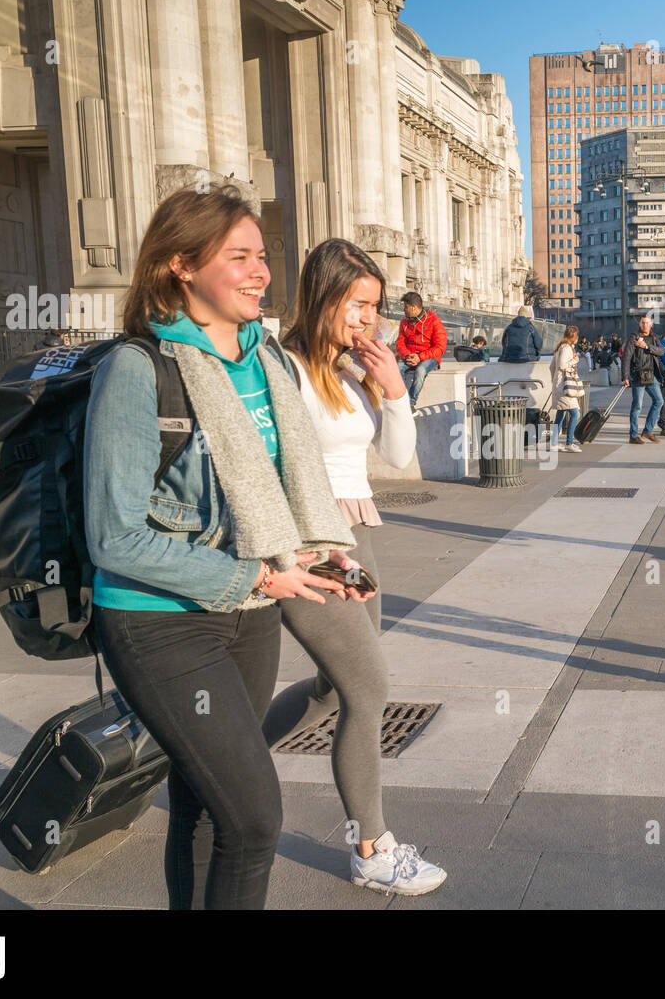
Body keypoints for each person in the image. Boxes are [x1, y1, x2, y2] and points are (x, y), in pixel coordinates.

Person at [84, 186, 362, 909]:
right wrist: (254, 577)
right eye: (237, 257)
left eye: (262, 257)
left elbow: (278, 483)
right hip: (159, 619)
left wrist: (315, 551)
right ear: (181, 265)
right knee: (256, 817)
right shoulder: (138, 369)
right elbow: (114, 536)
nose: (260, 272)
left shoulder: (263, 359)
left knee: (205, 803)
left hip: (249, 611)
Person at [265, 237, 447, 896]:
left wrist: (395, 389)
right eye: (357, 303)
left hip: (356, 536)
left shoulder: (351, 368)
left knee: (331, 690)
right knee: (368, 689)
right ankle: (372, 849)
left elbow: (398, 457)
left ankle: (226, 764)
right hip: (313, 544)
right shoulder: (279, 366)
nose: (368, 318)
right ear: (324, 295)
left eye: (375, 306)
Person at [394, 291, 446, 406]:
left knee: (420, 371)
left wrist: (420, 357)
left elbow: (440, 347)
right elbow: (400, 344)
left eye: (405, 307)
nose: (404, 310)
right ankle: (403, 401)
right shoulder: (404, 323)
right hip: (410, 356)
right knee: (396, 369)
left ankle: (411, 402)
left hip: (429, 357)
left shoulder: (434, 321)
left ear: (413, 307)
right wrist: (407, 355)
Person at [621, 314, 663, 444]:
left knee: (659, 401)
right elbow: (626, 357)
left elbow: (661, 351)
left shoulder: (654, 337)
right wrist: (625, 376)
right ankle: (633, 435)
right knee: (637, 406)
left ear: (651, 324)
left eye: (647, 323)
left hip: (651, 375)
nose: (644, 325)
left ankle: (648, 431)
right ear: (640, 324)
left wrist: (646, 346)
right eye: (642, 323)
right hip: (638, 375)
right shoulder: (634, 337)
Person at [550, 325, 583, 453]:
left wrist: (553, 382)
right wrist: (574, 361)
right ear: (573, 337)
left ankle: (554, 443)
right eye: (577, 336)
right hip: (565, 387)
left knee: (561, 414)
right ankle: (569, 443)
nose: (578, 338)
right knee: (575, 413)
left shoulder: (559, 348)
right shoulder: (567, 348)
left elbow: (552, 367)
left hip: (559, 385)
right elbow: (563, 365)